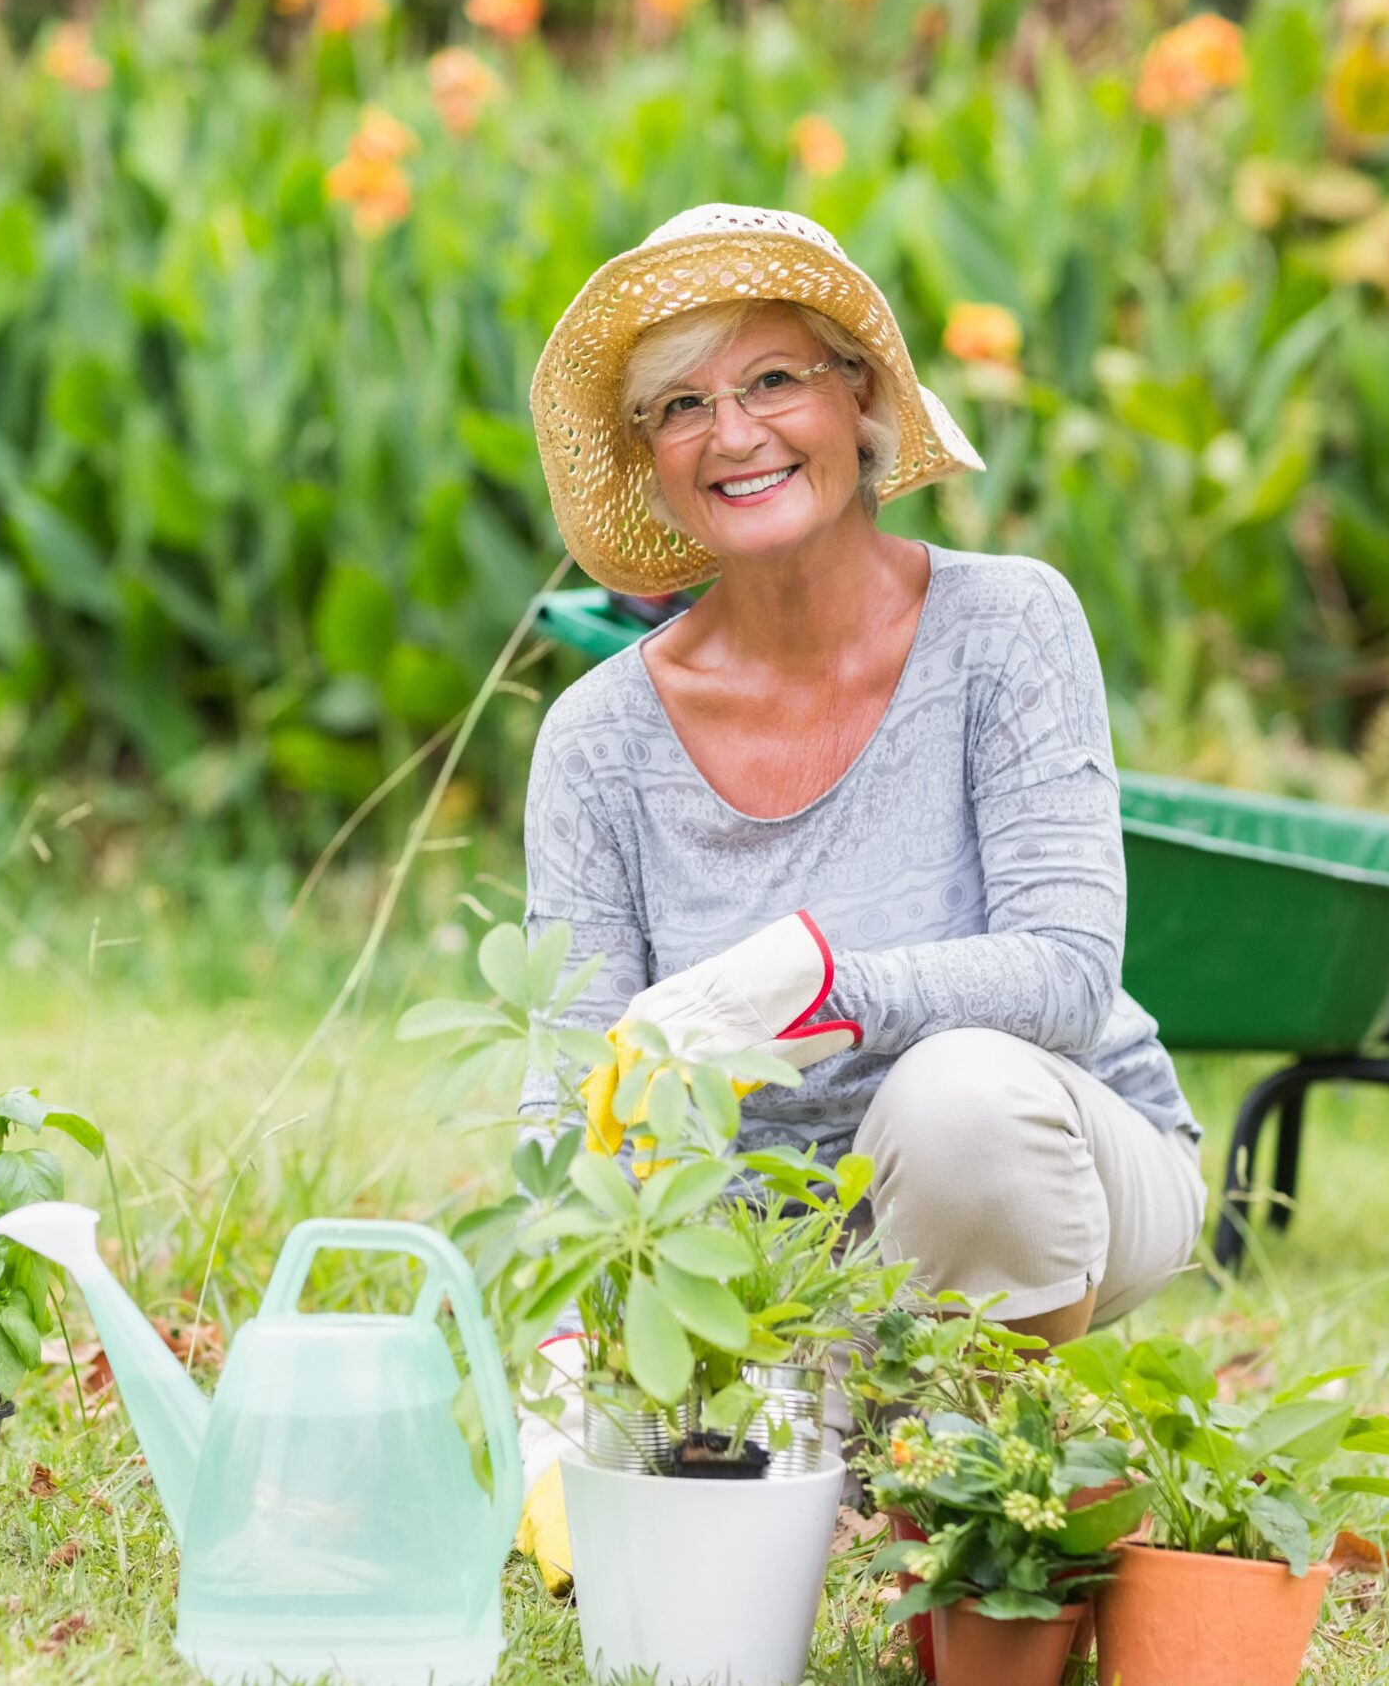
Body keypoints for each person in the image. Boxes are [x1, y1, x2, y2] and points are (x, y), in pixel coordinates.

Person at [507, 209, 1208, 1573]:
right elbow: (568, 1082)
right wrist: (557, 1367)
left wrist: (821, 988)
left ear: (863, 400)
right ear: (652, 462)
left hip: (1052, 1164)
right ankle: (849, 1439)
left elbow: (1068, 971)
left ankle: (976, 1503)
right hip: (758, 1263)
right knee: (706, 1488)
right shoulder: (597, 741)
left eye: (774, 379)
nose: (734, 433)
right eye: (681, 406)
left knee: (959, 1100)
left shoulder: (1008, 625)